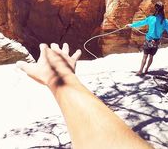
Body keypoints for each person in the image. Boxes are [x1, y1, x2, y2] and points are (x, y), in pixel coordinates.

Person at [16, 43, 152, 149]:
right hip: (155, 43)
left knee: (146, 56)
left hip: (149, 42)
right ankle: (144, 70)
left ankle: (142, 70)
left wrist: (58, 76)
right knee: (149, 57)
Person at [126, 2, 168, 75]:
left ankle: (140, 71)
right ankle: (146, 70)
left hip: (149, 40)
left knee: (145, 56)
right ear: (163, 10)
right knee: (151, 56)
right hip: (156, 42)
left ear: (155, 9)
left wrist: (131, 25)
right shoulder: (165, 21)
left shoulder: (151, 18)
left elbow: (141, 23)